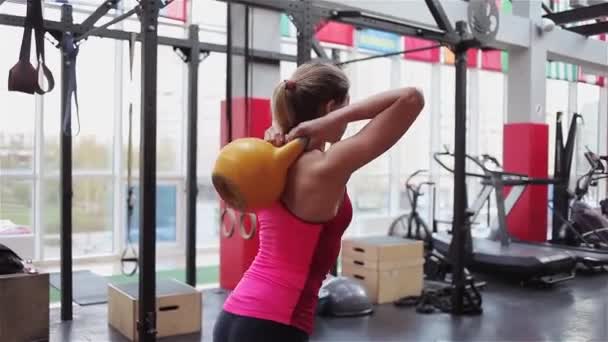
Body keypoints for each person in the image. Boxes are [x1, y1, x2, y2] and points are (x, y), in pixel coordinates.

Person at [213, 62, 425, 342]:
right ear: (330, 108)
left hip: (234, 314)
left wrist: (300, 122)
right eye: (344, 110)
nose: (346, 122)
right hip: (277, 323)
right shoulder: (325, 167)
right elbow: (411, 98)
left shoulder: (269, 155)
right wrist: (331, 121)